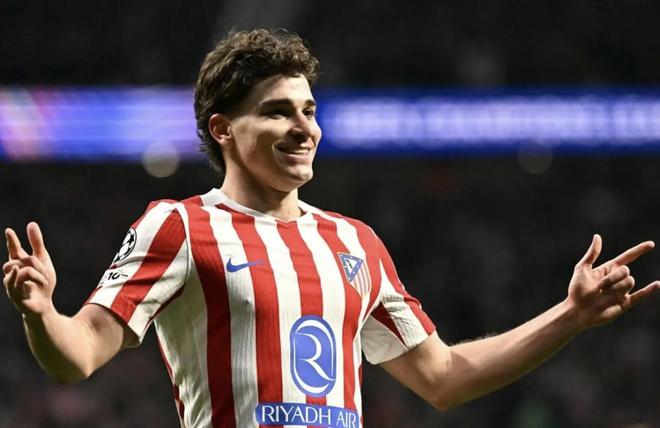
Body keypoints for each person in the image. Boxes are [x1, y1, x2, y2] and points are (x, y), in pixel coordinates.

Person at [3, 29, 659, 428]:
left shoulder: (355, 243)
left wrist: (570, 316)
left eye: (310, 110)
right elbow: (78, 355)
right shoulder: (178, 226)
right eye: (278, 112)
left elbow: (445, 377)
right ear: (223, 129)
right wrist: (41, 313)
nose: (305, 128)